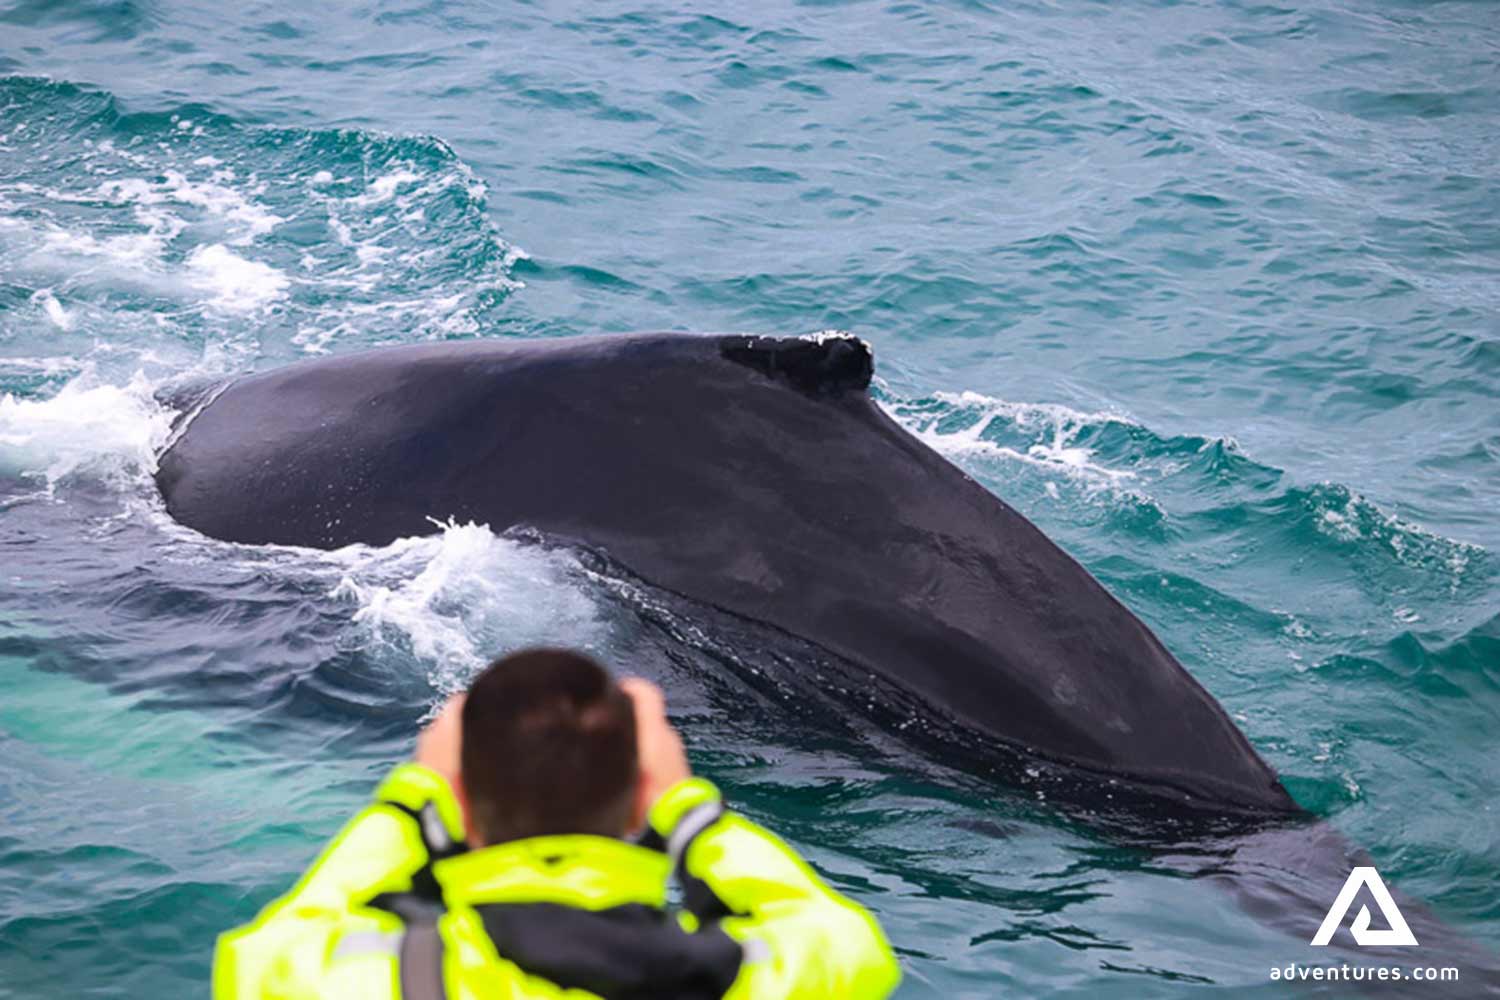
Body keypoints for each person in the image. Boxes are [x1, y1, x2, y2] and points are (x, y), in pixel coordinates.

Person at [213, 647, 901, 999]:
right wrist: (688, 811)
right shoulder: (736, 979)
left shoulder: (363, 979)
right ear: (641, 798)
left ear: (457, 797)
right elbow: (842, 935)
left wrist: (410, 801)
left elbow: (268, 947)